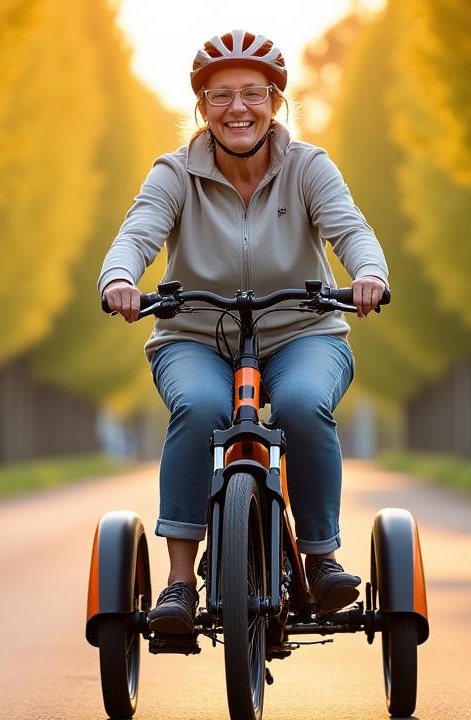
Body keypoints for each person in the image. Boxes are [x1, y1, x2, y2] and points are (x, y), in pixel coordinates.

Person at [99, 30, 389, 634]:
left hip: (302, 332)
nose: (238, 108)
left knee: (306, 405)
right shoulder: (175, 173)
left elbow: (350, 229)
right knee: (201, 407)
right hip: (195, 336)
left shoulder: (309, 167)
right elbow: (138, 232)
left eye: (253, 94)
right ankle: (181, 583)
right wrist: (121, 277)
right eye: (221, 94)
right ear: (202, 106)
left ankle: (321, 557)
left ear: (276, 101)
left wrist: (367, 273)